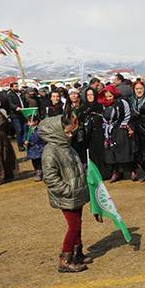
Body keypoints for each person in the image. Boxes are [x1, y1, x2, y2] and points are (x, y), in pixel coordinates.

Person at [40, 111, 98, 273]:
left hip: (76, 192)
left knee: (78, 223)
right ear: (57, 132)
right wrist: (67, 190)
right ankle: (65, 259)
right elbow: (50, 178)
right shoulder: (50, 152)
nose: (70, 134)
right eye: (66, 132)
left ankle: (77, 253)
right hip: (67, 195)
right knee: (74, 225)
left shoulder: (66, 146)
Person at [99, 85, 136, 182]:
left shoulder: (122, 102)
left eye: (110, 96)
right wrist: (106, 128)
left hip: (121, 129)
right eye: (107, 96)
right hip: (110, 130)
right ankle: (116, 172)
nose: (108, 98)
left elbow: (127, 114)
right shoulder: (104, 105)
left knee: (125, 150)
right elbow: (103, 117)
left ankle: (132, 170)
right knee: (112, 152)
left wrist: (123, 125)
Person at [4, 81, 28, 150]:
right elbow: (10, 103)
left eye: (17, 86)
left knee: (24, 129)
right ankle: (20, 145)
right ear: (11, 87)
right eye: (15, 86)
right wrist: (16, 107)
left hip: (23, 114)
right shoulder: (10, 95)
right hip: (15, 115)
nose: (17, 87)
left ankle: (24, 142)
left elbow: (24, 102)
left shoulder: (21, 94)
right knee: (19, 130)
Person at [25, 113, 46, 181]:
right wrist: (25, 141)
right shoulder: (28, 130)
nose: (29, 123)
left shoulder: (39, 129)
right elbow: (24, 137)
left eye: (31, 121)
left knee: (39, 161)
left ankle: (40, 172)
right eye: (28, 122)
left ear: (36, 122)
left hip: (39, 148)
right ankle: (37, 170)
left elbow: (40, 138)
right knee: (34, 161)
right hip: (31, 148)